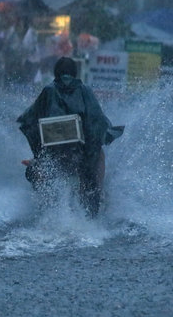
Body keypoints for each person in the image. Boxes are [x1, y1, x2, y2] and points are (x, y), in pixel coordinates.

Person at [17, 56, 122, 218]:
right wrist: (100, 139)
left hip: (53, 151)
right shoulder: (85, 90)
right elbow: (97, 121)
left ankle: (45, 197)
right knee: (100, 153)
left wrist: (38, 153)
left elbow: (29, 121)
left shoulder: (48, 90)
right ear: (75, 73)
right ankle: (98, 192)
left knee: (38, 164)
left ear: (55, 73)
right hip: (80, 151)